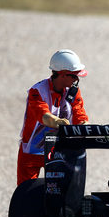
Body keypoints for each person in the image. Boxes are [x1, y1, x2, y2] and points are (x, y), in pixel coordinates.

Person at [17, 49, 89, 186]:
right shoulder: (37, 91)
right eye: (74, 76)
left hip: (59, 149)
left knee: (61, 191)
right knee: (25, 193)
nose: (77, 80)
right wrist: (59, 122)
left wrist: (85, 124)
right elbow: (43, 116)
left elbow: (79, 112)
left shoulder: (73, 90)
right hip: (31, 152)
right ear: (62, 75)